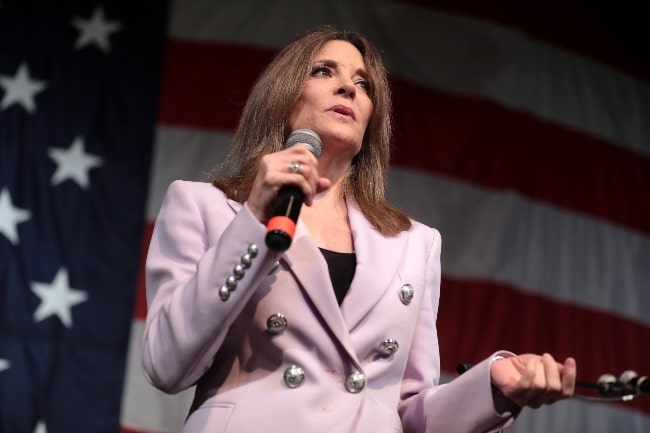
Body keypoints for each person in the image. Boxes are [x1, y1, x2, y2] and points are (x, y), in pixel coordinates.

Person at [142, 25, 577, 433]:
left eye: (363, 83)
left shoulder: (414, 244)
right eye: (323, 71)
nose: (348, 86)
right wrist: (254, 219)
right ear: (283, 95)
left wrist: (493, 387)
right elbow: (166, 363)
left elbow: (406, 410)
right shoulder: (204, 207)